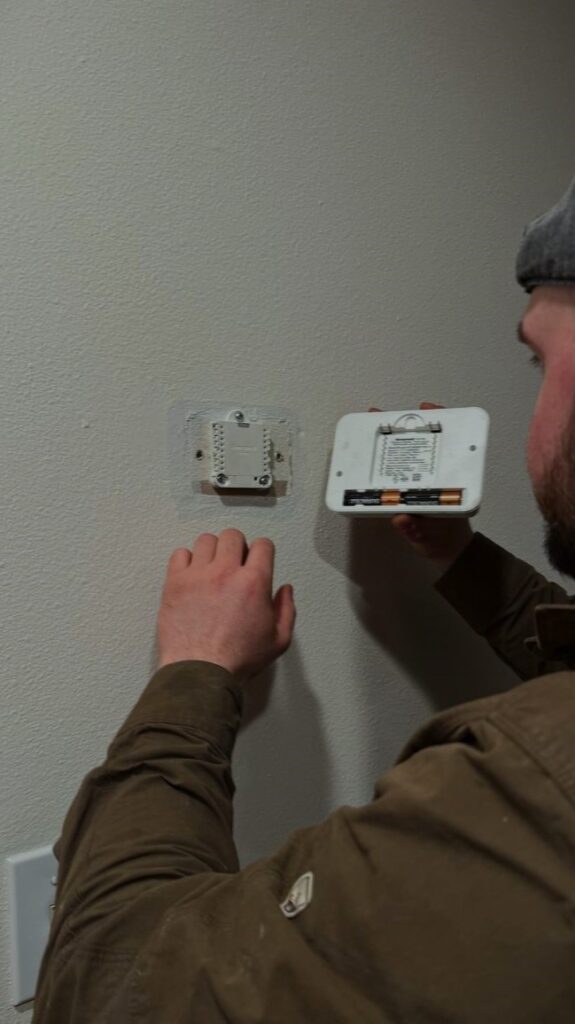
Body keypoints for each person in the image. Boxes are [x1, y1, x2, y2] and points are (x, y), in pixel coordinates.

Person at [33, 179, 575, 1023]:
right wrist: (459, 555)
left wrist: (194, 672)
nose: (533, 415)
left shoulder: (540, 808)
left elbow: (115, 982)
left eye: (542, 362)